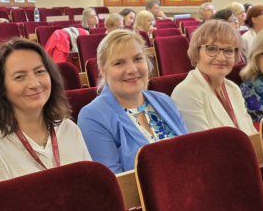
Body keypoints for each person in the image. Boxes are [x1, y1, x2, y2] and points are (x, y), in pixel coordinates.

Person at [0, 38, 91, 190]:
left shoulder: (69, 129)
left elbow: (90, 191)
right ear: (1, 88)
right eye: (19, 77)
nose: (35, 84)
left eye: (40, 72)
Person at [78, 30, 188, 174]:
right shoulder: (93, 117)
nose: (132, 69)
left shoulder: (164, 101)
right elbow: (115, 186)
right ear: (103, 70)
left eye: (137, 59)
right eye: (119, 63)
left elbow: (190, 152)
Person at [171, 21, 256, 135]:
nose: (221, 58)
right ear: (196, 52)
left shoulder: (233, 88)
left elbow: (252, 134)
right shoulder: (186, 92)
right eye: (211, 49)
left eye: (229, 50)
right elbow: (207, 146)